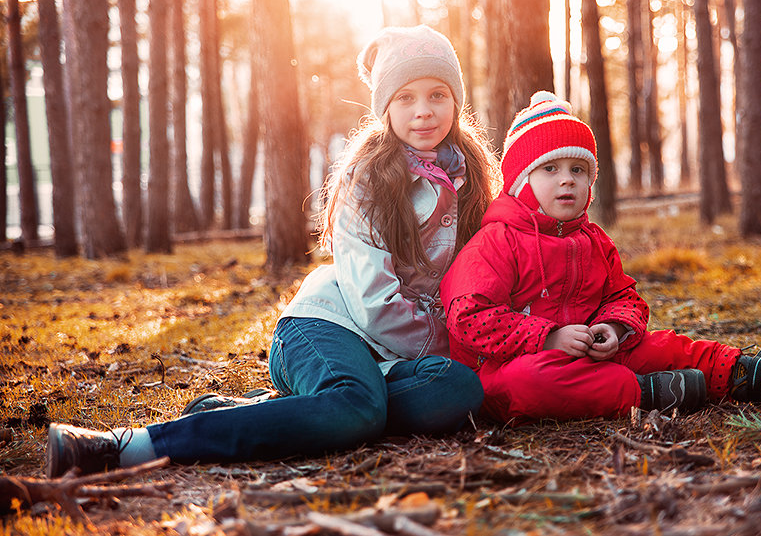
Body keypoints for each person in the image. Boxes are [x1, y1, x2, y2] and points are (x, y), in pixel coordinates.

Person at [45, 25, 500, 477]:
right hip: (328, 326)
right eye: (406, 97)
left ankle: (259, 411)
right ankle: (129, 446)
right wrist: (454, 344)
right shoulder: (369, 178)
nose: (424, 111)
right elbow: (373, 302)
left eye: (438, 94)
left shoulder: (474, 177)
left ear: (456, 101)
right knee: (358, 409)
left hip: (395, 358)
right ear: (384, 106)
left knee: (456, 390)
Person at [439, 91, 761, 424]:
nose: (566, 180)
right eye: (549, 169)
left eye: (578, 169)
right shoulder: (496, 241)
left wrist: (615, 328)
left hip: (593, 354)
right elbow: (468, 317)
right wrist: (547, 337)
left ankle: (754, 374)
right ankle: (646, 392)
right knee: (528, 381)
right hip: (507, 367)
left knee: (662, 346)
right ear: (521, 182)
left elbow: (625, 298)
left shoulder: (593, 240)